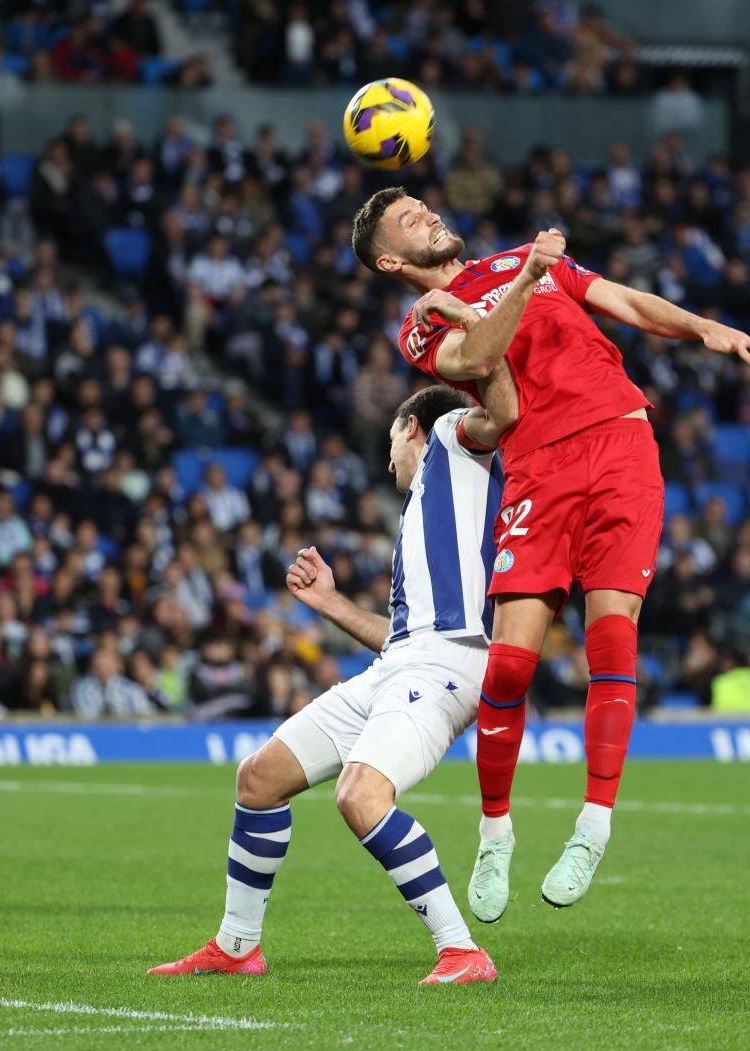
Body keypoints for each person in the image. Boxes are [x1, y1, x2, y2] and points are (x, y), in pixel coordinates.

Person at [351, 186, 750, 919]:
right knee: (512, 662)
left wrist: (702, 326)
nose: (430, 216)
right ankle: (494, 833)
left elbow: (627, 301)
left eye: (425, 206)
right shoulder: (419, 328)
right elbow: (481, 359)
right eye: (409, 221)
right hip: (537, 466)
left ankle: (593, 826)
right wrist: (512, 289)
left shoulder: (528, 259)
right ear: (391, 259)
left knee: (612, 639)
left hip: (620, 440)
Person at [148, 385, 508, 986]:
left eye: (391, 437)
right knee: (259, 779)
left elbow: (500, 411)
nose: (385, 456)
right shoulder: (426, 503)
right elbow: (401, 639)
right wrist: (330, 602)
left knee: (360, 796)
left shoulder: (452, 442)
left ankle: (462, 951)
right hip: (405, 664)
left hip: (448, 667)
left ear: (413, 428)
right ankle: (238, 947)